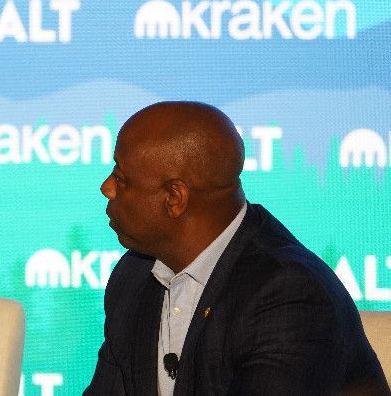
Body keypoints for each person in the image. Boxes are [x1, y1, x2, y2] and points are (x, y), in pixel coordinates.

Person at [85, 102, 389, 395]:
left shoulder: (289, 295)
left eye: (121, 179)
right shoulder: (135, 273)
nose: (106, 188)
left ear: (174, 198)